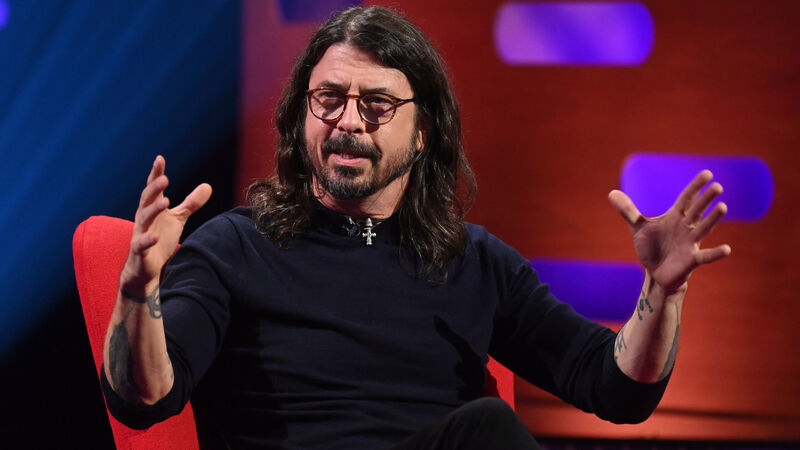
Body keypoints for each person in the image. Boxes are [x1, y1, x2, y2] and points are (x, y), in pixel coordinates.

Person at [100, 6, 731, 449]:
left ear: (423, 131)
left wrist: (663, 292)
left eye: (376, 104)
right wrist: (136, 292)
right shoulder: (235, 246)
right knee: (487, 430)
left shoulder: (474, 262)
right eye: (328, 99)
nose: (349, 121)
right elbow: (143, 399)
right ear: (300, 117)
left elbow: (616, 390)